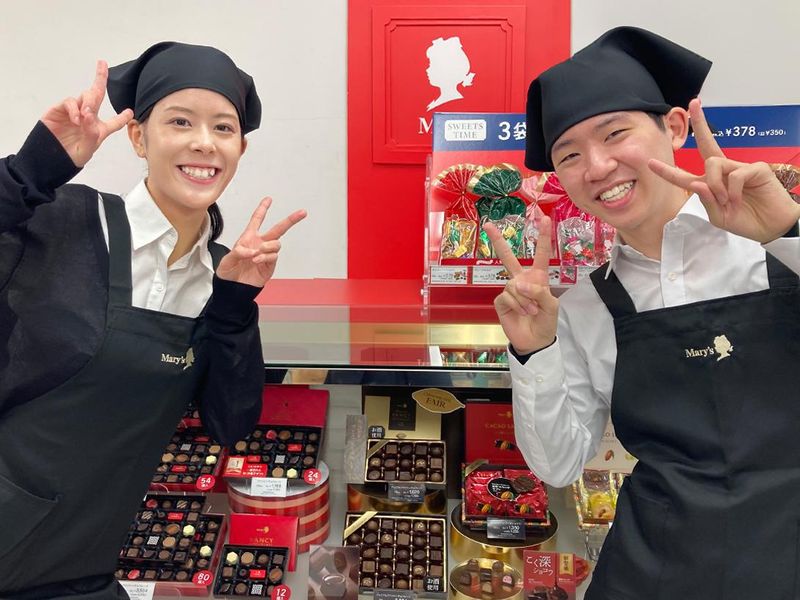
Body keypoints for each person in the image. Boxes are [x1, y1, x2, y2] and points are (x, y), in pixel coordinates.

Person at [487, 26, 800, 599]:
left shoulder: (777, 247)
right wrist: (534, 350)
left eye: (615, 134)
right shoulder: (585, 305)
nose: (597, 166)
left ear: (675, 127)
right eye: (569, 155)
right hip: (653, 570)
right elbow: (558, 466)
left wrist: (789, 233)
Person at [0, 42, 305, 598]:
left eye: (223, 128)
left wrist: (234, 308)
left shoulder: (221, 273)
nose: (204, 142)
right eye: (180, 121)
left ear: (239, 148)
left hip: (83, 564)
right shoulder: (64, 219)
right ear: (139, 137)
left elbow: (230, 423)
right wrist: (31, 171)